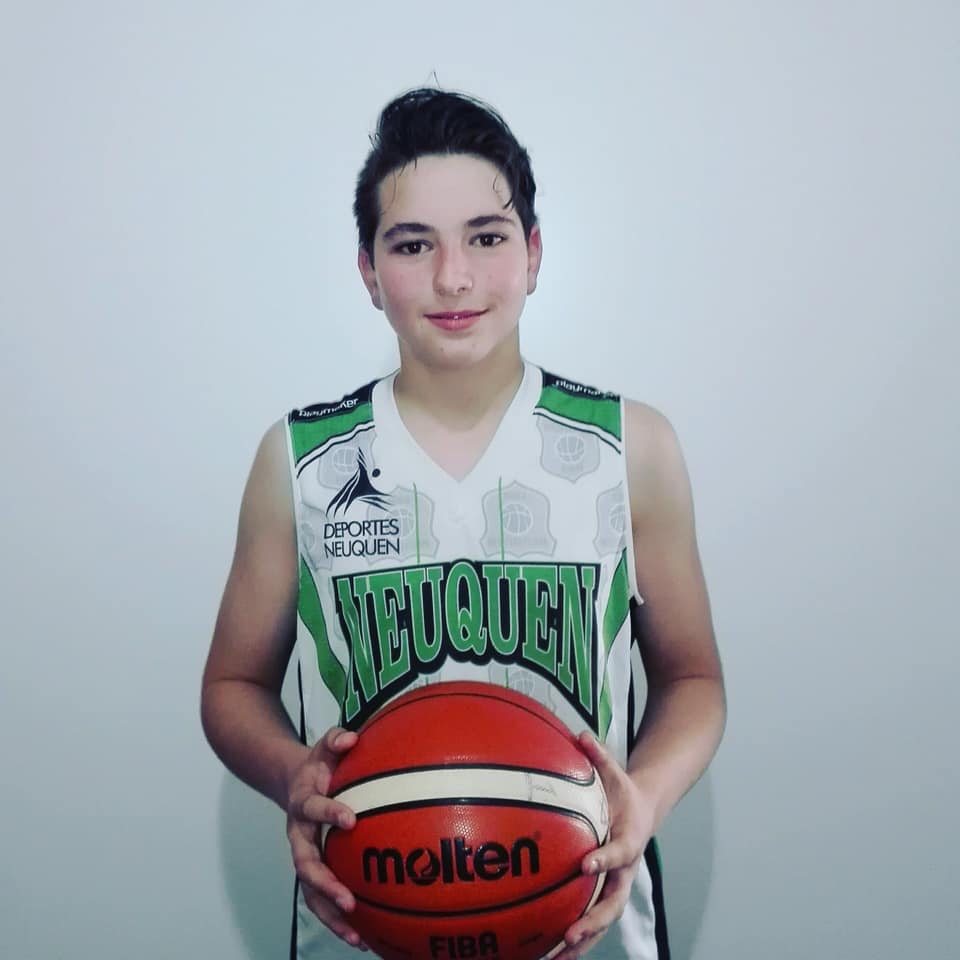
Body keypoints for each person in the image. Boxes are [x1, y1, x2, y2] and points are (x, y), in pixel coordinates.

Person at [201, 87, 726, 960]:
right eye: (414, 244)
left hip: (586, 924)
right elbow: (231, 686)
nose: (454, 277)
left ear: (533, 253)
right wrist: (294, 774)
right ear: (369, 271)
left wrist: (647, 795)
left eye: (487, 237)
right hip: (366, 921)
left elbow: (694, 679)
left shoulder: (629, 447)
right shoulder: (301, 460)